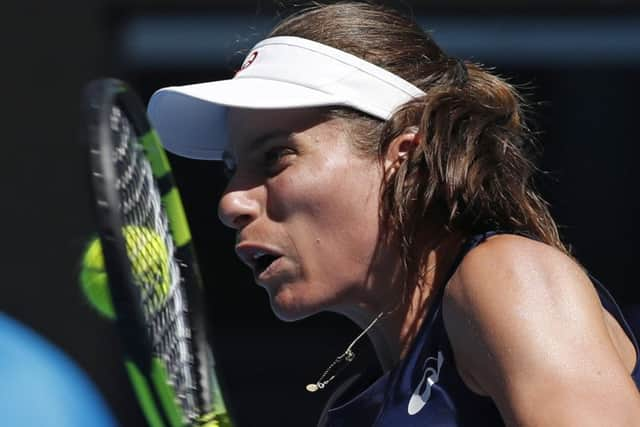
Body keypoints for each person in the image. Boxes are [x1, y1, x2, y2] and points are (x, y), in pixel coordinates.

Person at [147, 2, 640, 425]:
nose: (231, 202)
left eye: (275, 156)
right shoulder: (349, 403)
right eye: (232, 170)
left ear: (402, 157)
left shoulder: (506, 274)